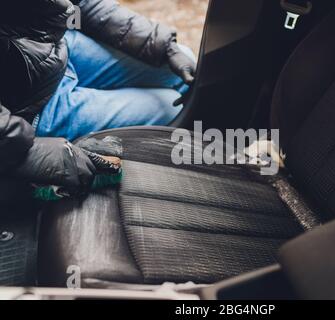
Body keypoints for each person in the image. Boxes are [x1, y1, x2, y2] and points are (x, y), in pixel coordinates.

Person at [0, 0, 197, 196]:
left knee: (180, 64)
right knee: (170, 105)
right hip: (27, 110)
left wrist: (160, 44)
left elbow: (80, 4)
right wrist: (26, 152)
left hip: (52, 50)